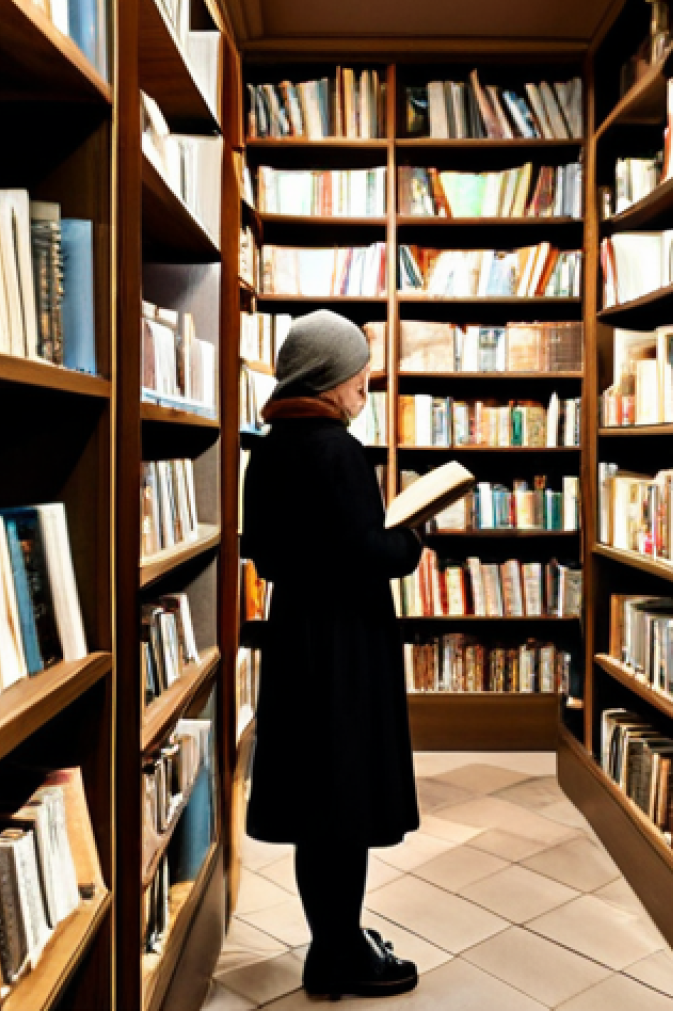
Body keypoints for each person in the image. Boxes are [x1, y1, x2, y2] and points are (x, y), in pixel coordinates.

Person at [240, 309, 424, 999]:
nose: (363, 391)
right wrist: (409, 540)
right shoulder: (338, 451)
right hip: (346, 646)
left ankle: (334, 939)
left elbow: (267, 549)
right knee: (344, 801)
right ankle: (339, 954)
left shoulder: (269, 448)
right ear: (328, 375)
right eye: (359, 377)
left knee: (319, 804)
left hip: (298, 639)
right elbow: (367, 552)